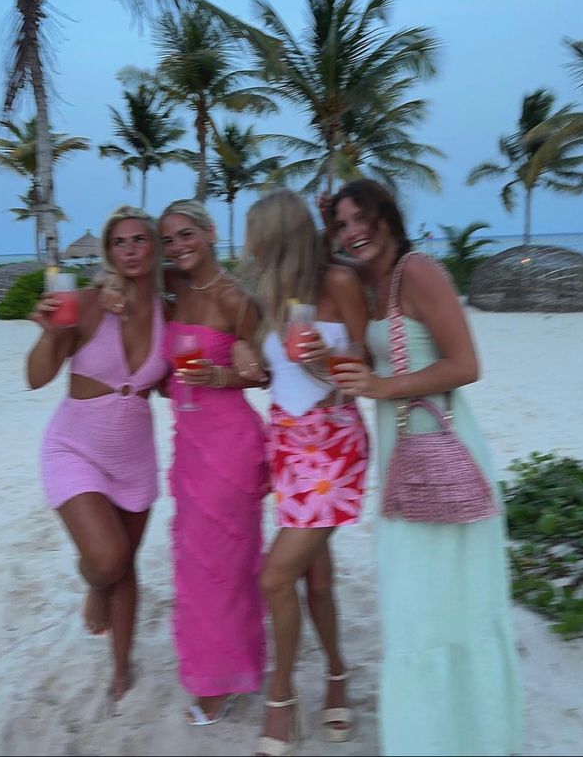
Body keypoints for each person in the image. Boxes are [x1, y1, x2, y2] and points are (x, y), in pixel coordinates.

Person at [328, 179, 521, 757]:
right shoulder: (369, 284)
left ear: (389, 216)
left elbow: (466, 364)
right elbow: (363, 367)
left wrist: (384, 385)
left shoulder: (419, 272)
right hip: (403, 463)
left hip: (442, 456)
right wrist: (328, 360)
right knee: (413, 605)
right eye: (340, 225)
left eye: (361, 218)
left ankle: (471, 737)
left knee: (451, 602)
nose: (352, 232)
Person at [237, 189, 370, 757]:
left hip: (335, 444)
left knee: (273, 578)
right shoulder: (264, 297)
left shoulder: (337, 284)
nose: (248, 246)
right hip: (288, 448)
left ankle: (281, 696)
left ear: (277, 235)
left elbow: (364, 365)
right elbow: (270, 371)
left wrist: (327, 364)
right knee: (314, 579)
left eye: (256, 235)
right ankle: (337, 675)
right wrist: (249, 363)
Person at [27, 206, 166, 701]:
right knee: (107, 560)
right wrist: (49, 333)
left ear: (154, 247)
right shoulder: (87, 304)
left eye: (139, 240)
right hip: (74, 448)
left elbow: (172, 383)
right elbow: (36, 377)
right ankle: (93, 583)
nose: (129, 250)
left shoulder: (169, 315)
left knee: (127, 565)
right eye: (119, 243)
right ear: (109, 253)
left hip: (135, 458)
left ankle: (121, 668)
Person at [158, 199, 269, 726]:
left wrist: (224, 376)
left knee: (223, 568)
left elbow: (265, 373)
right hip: (188, 442)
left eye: (186, 235)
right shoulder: (173, 287)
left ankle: (221, 684)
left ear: (209, 232)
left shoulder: (236, 298)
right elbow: (124, 274)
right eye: (169, 240)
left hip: (230, 444)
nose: (178, 247)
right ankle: (226, 670)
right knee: (194, 567)